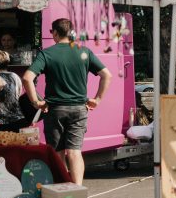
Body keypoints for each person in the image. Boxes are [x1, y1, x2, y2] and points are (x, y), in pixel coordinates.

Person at [23, 18, 112, 185]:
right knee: (74, 152)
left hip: (55, 109)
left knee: (58, 152)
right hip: (79, 108)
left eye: (52, 33)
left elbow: (27, 78)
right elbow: (107, 75)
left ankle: (61, 191)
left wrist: (36, 102)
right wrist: (97, 99)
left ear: (55, 33)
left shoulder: (46, 53)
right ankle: (78, 192)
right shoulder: (84, 51)